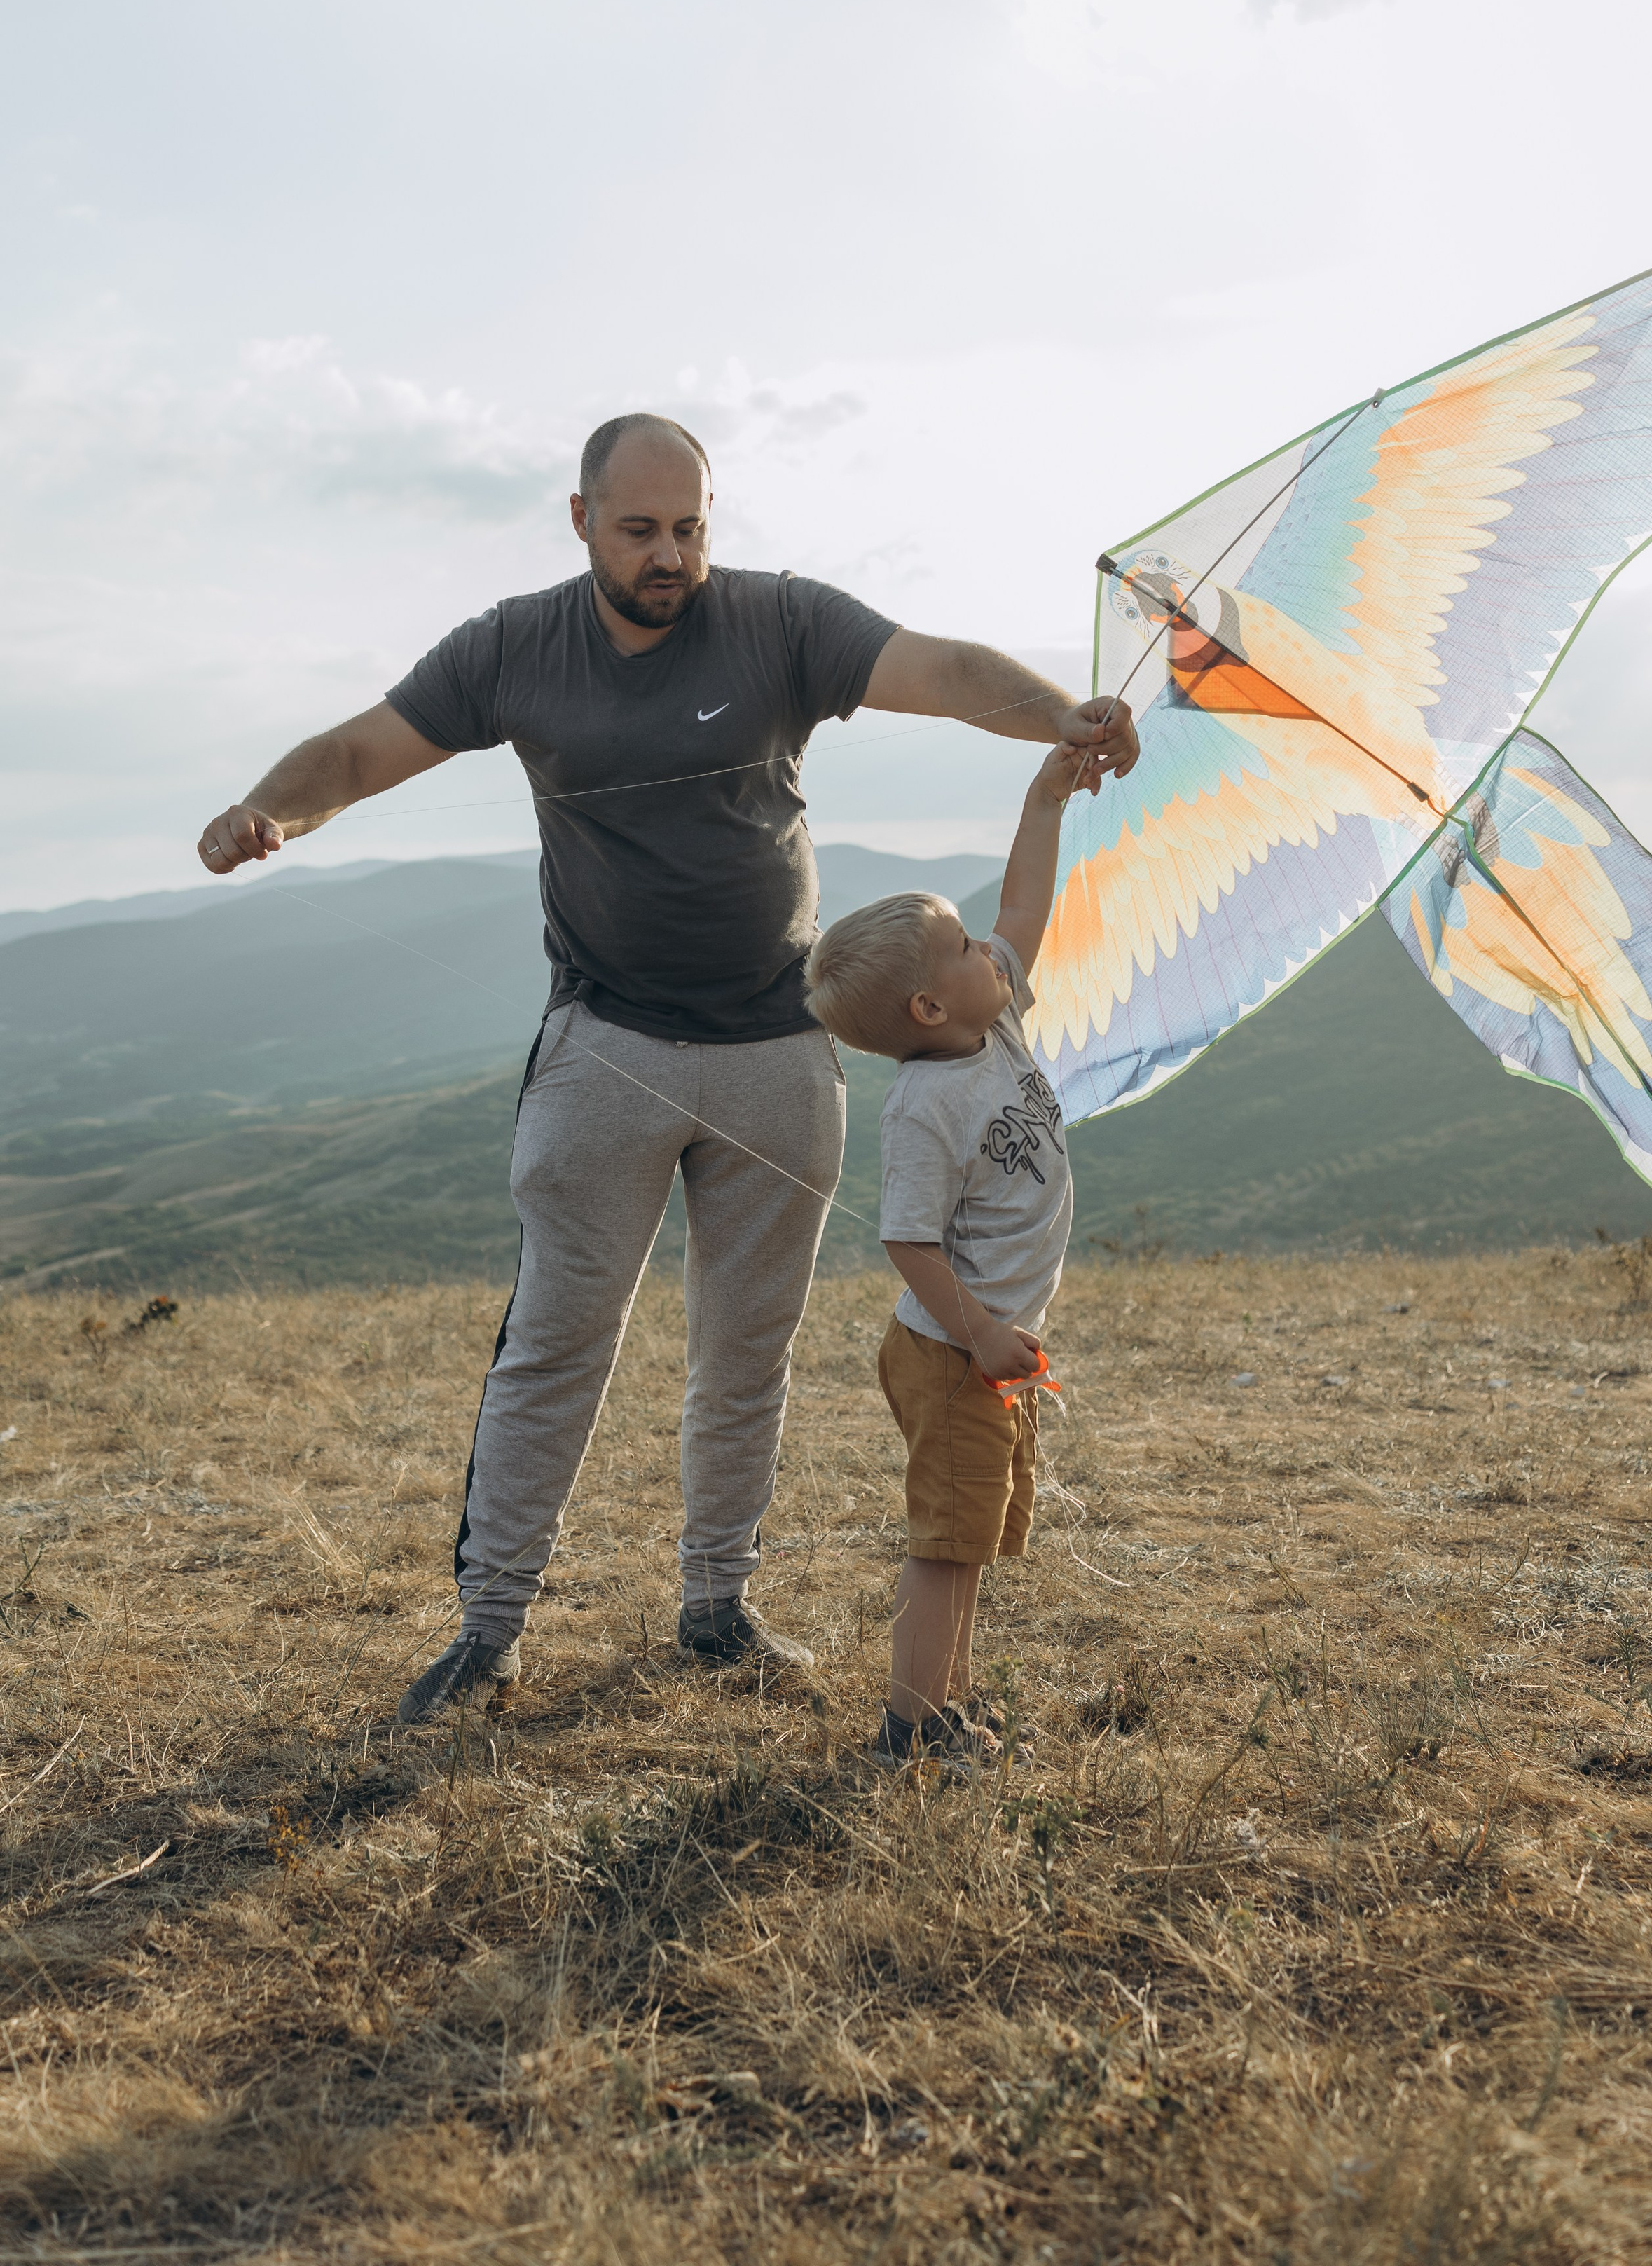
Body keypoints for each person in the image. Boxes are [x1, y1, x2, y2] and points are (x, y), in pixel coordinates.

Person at [195, 414, 1138, 1722]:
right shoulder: (512, 648)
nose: (670, 555)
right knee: (555, 1341)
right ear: (580, 519)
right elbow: (358, 752)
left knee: (750, 1349)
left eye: (690, 527)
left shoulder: (777, 623)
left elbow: (941, 667)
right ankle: (491, 1628)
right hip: (604, 1046)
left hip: (778, 1049)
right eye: (640, 529)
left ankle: (716, 1606)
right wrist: (270, 810)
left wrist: (1059, 716)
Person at [802, 740, 1081, 1768]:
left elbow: (1020, 910)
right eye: (964, 950)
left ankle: (947, 1709)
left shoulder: (991, 1021)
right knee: (944, 1545)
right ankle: (911, 1730)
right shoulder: (924, 1108)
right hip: (956, 1352)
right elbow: (908, 1242)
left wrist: (1044, 797)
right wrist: (982, 1334)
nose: (990, 954)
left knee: (972, 1538)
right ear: (929, 1008)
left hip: (989, 1346)